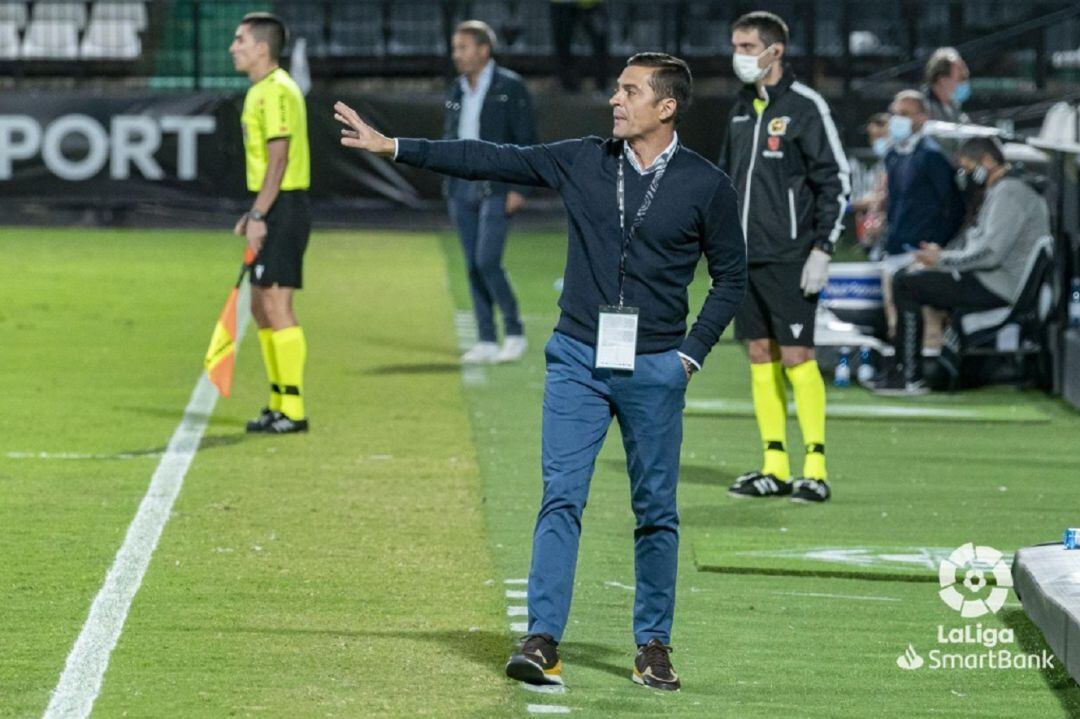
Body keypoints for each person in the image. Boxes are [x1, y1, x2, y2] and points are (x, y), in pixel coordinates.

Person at [336, 51, 746, 690]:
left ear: (666, 107)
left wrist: (690, 355)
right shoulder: (585, 157)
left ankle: (654, 645)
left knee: (656, 511)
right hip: (578, 358)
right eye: (615, 87)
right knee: (561, 497)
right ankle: (541, 638)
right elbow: (492, 157)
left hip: (656, 366)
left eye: (630, 91)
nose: (615, 99)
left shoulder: (705, 184)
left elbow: (731, 277)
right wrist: (394, 146)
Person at [718, 11, 850, 504]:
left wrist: (823, 248)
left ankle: (814, 468)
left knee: (798, 355)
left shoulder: (806, 107)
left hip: (792, 256)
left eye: (748, 46)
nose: (739, 56)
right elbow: (724, 179)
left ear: (775, 51)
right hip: (745, 258)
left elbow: (836, 181)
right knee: (759, 354)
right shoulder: (740, 107)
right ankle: (774, 465)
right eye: (736, 45)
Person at [874, 136, 1049, 395]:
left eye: (968, 168)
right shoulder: (1002, 190)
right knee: (910, 277)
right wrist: (941, 257)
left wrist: (942, 260)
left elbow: (990, 254)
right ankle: (909, 371)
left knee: (906, 283)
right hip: (990, 279)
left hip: (996, 284)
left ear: (987, 161)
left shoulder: (1010, 192)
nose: (965, 176)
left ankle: (908, 375)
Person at [230, 12, 311, 434]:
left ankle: (294, 410)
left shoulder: (277, 90)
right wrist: (254, 210)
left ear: (262, 48)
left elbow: (279, 158)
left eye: (240, 40)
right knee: (262, 306)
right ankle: (278, 402)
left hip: (285, 206)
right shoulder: (261, 90)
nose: (233, 48)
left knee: (278, 305)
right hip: (272, 203)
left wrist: (261, 213)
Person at [446, 21, 537, 364]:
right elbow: (448, 136)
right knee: (472, 264)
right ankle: (486, 339)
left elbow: (526, 139)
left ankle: (513, 331)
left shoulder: (511, 87)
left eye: (463, 47)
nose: (457, 54)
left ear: (484, 50)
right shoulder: (456, 89)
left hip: (497, 184)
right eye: (456, 48)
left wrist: (520, 187)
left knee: (487, 260)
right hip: (461, 186)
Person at [880, 90, 965, 341]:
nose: (897, 119)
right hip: (894, 248)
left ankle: (929, 374)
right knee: (895, 321)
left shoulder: (932, 157)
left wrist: (938, 244)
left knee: (928, 322)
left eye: (904, 114)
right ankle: (901, 372)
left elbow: (953, 206)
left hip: (921, 251)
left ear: (922, 118)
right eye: (894, 114)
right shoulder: (893, 156)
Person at [550, 0, 609, 92]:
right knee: (563, 46)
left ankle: (601, 85)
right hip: (564, 4)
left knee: (599, 45)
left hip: (591, 4)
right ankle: (567, 84)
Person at [922, 47, 970, 123]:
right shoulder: (921, 110)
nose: (964, 84)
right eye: (960, 78)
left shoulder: (954, 107)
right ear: (943, 80)